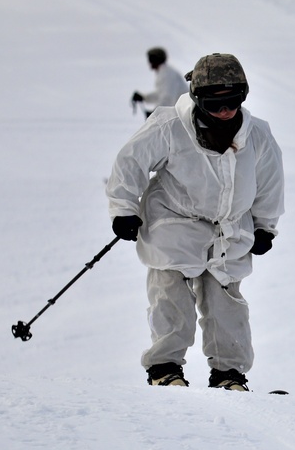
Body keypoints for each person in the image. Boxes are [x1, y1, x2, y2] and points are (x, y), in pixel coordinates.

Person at [107, 53, 285, 391]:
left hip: (228, 231)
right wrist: (124, 209)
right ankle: (165, 368)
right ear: (197, 100)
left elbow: (270, 181)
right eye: (215, 104)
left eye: (232, 102)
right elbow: (130, 162)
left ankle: (229, 375)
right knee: (170, 297)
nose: (225, 111)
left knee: (227, 303)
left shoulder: (257, 135)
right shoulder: (169, 126)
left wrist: (265, 225)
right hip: (173, 224)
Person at [131, 47, 188, 118]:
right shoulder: (164, 72)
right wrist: (144, 98)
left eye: (150, 59)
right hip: (178, 113)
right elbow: (160, 95)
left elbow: (167, 97)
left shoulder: (167, 74)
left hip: (182, 113)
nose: (149, 62)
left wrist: (155, 113)